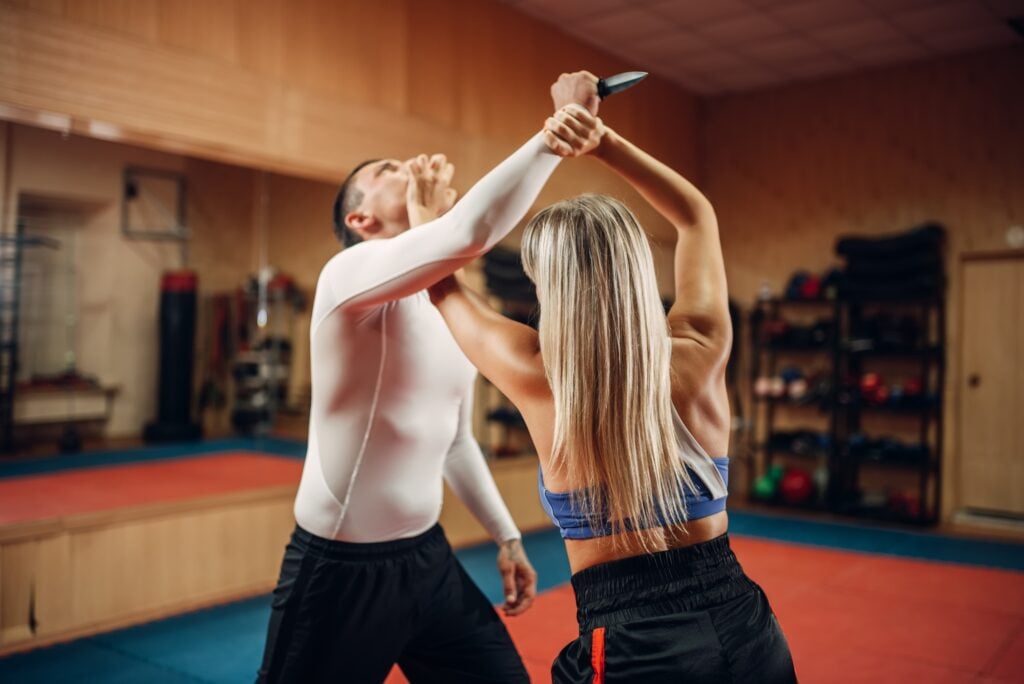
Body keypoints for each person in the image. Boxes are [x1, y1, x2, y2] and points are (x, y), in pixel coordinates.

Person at [427, 101, 798, 682]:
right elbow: (696, 217)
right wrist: (601, 140)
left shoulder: (535, 375)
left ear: (551, 286)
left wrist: (429, 218)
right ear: (638, 269)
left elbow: (441, 285)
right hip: (747, 631)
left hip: (636, 650)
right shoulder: (701, 347)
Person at [256, 72, 603, 683]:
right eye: (387, 169)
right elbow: (465, 233)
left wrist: (506, 537)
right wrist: (555, 134)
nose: (409, 165)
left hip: (427, 559)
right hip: (340, 570)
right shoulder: (347, 275)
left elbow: (456, 440)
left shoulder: (446, 301)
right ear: (361, 218)